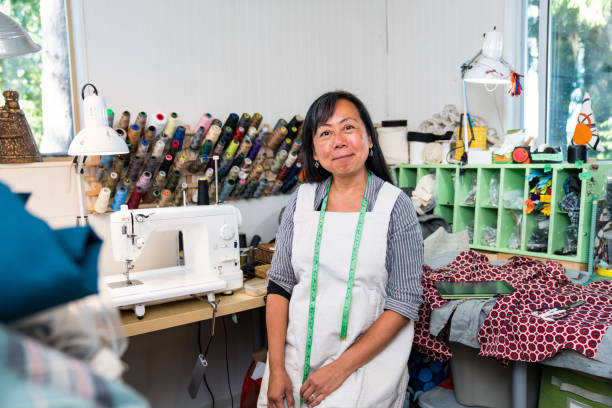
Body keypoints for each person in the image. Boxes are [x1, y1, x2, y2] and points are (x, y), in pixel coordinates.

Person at [258, 91, 423, 408]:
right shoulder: (302, 202)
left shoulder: (394, 206)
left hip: (364, 369)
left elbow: (404, 303)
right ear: (315, 152)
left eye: (348, 127)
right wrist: (276, 368)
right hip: (294, 367)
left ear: (369, 139)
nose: (339, 141)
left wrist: (339, 369)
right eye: (325, 133)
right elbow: (279, 285)